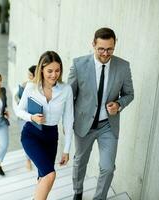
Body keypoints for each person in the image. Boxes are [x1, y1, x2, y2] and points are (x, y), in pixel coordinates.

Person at [68, 27, 134, 200]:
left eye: (110, 49)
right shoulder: (78, 64)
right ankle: (78, 191)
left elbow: (129, 94)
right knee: (80, 162)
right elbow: (69, 96)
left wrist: (119, 104)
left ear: (114, 45)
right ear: (93, 44)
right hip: (83, 125)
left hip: (108, 126)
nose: (105, 53)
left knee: (108, 167)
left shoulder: (123, 66)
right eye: (101, 49)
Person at [16, 51, 74, 200]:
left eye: (57, 70)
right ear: (41, 69)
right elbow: (19, 110)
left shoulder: (66, 90)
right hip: (31, 135)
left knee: (43, 176)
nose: (54, 75)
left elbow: (68, 121)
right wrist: (31, 117)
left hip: (51, 137)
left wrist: (66, 150)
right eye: (49, 71)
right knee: (50, 174)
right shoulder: (31, 87)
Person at [12, 65, 36, 171]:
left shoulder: (39, 87)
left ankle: (35, 157)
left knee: (35, 139)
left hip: (35, 118)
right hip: (23, 118)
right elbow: (16, 98)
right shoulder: (23, 86)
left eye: (30, 75)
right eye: (28, 74)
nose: (28, 77)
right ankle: (28, 160)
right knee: (26, 139)